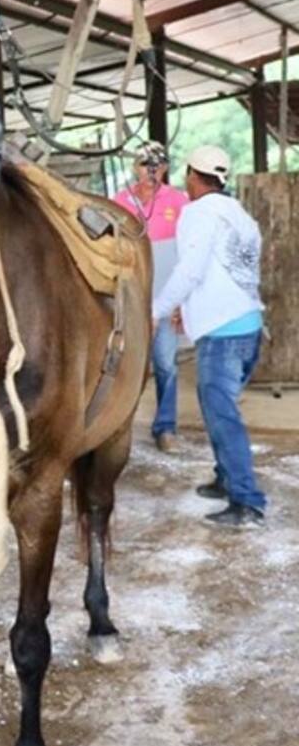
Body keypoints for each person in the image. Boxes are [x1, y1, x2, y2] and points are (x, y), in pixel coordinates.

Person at [152, 145, 266, 528]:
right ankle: (226, 477)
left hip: (223, 334)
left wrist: (158, 309)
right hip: (249, 325)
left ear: (192, 175)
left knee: (222, 415)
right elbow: (235, 271)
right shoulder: (239, 215)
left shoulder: (198, 213)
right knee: (216, 406)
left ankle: (247, 503)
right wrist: (190, 309)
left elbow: (190, 270)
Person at [112, 141, 189, 451]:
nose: (151, 172)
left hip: (166, 301)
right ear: (135, 167)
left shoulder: (179, 201)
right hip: (130, 301)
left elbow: (188, 256)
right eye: (146, 165)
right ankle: (116, 426)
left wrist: (180, 302)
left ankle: (165, 428)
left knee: (166, 365)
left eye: (157, 166)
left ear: (166, 168)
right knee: (124, 365)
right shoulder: (120, 201)